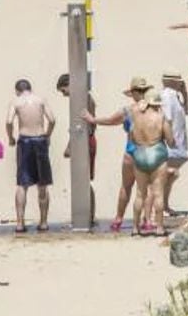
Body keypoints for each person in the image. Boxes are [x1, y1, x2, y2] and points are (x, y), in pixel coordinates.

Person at [83, 76, 150, 233]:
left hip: (131, 151)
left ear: (133, 93)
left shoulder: (127, 110)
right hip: (148, 151)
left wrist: (92, 119)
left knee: (126, 187)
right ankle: (146, 220)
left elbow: (111, 120)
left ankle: (118, 219)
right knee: (146, 189)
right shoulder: (153, 108)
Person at [6, 79, 55, 233]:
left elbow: (8, 121)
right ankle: (44, 222)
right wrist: (48, 135)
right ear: (30, 89)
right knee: (42, 183)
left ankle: (20, 223)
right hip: (40, 139)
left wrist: (11, 138)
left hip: (25, 141)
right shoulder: (40, 100)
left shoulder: (16, 101)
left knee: (22, 183)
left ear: (17, 90)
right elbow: (52, 120)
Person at [127, 88, 174, 236]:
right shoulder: (160, 117)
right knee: (158, 193)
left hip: (140, 153)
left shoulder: (136, 116)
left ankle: (135, 228)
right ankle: (159, 227)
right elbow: (170, 141)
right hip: (157, 153)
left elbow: (131, 138)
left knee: (140, 193)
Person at [56, 72, 97, 225]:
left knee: (84, 181)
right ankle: (89, 217)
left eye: (63, 90)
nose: (64, 95)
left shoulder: (82, 99)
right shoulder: (86, 97)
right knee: (85, 181)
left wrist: (69, 146)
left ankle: (87, 218)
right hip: (87, 139)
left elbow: (81, 127)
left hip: (86, 141)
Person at [160, 72, 188, 216]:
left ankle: (164, 205)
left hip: (178, 141)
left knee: (170, 177)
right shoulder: (167, 96)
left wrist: (185, 93)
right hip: (171, 143)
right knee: (167, 176)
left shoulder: (175, 96)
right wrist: (169, 139)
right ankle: (160, 207)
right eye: (179, 82)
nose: (181, 83)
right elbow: (167, 119)